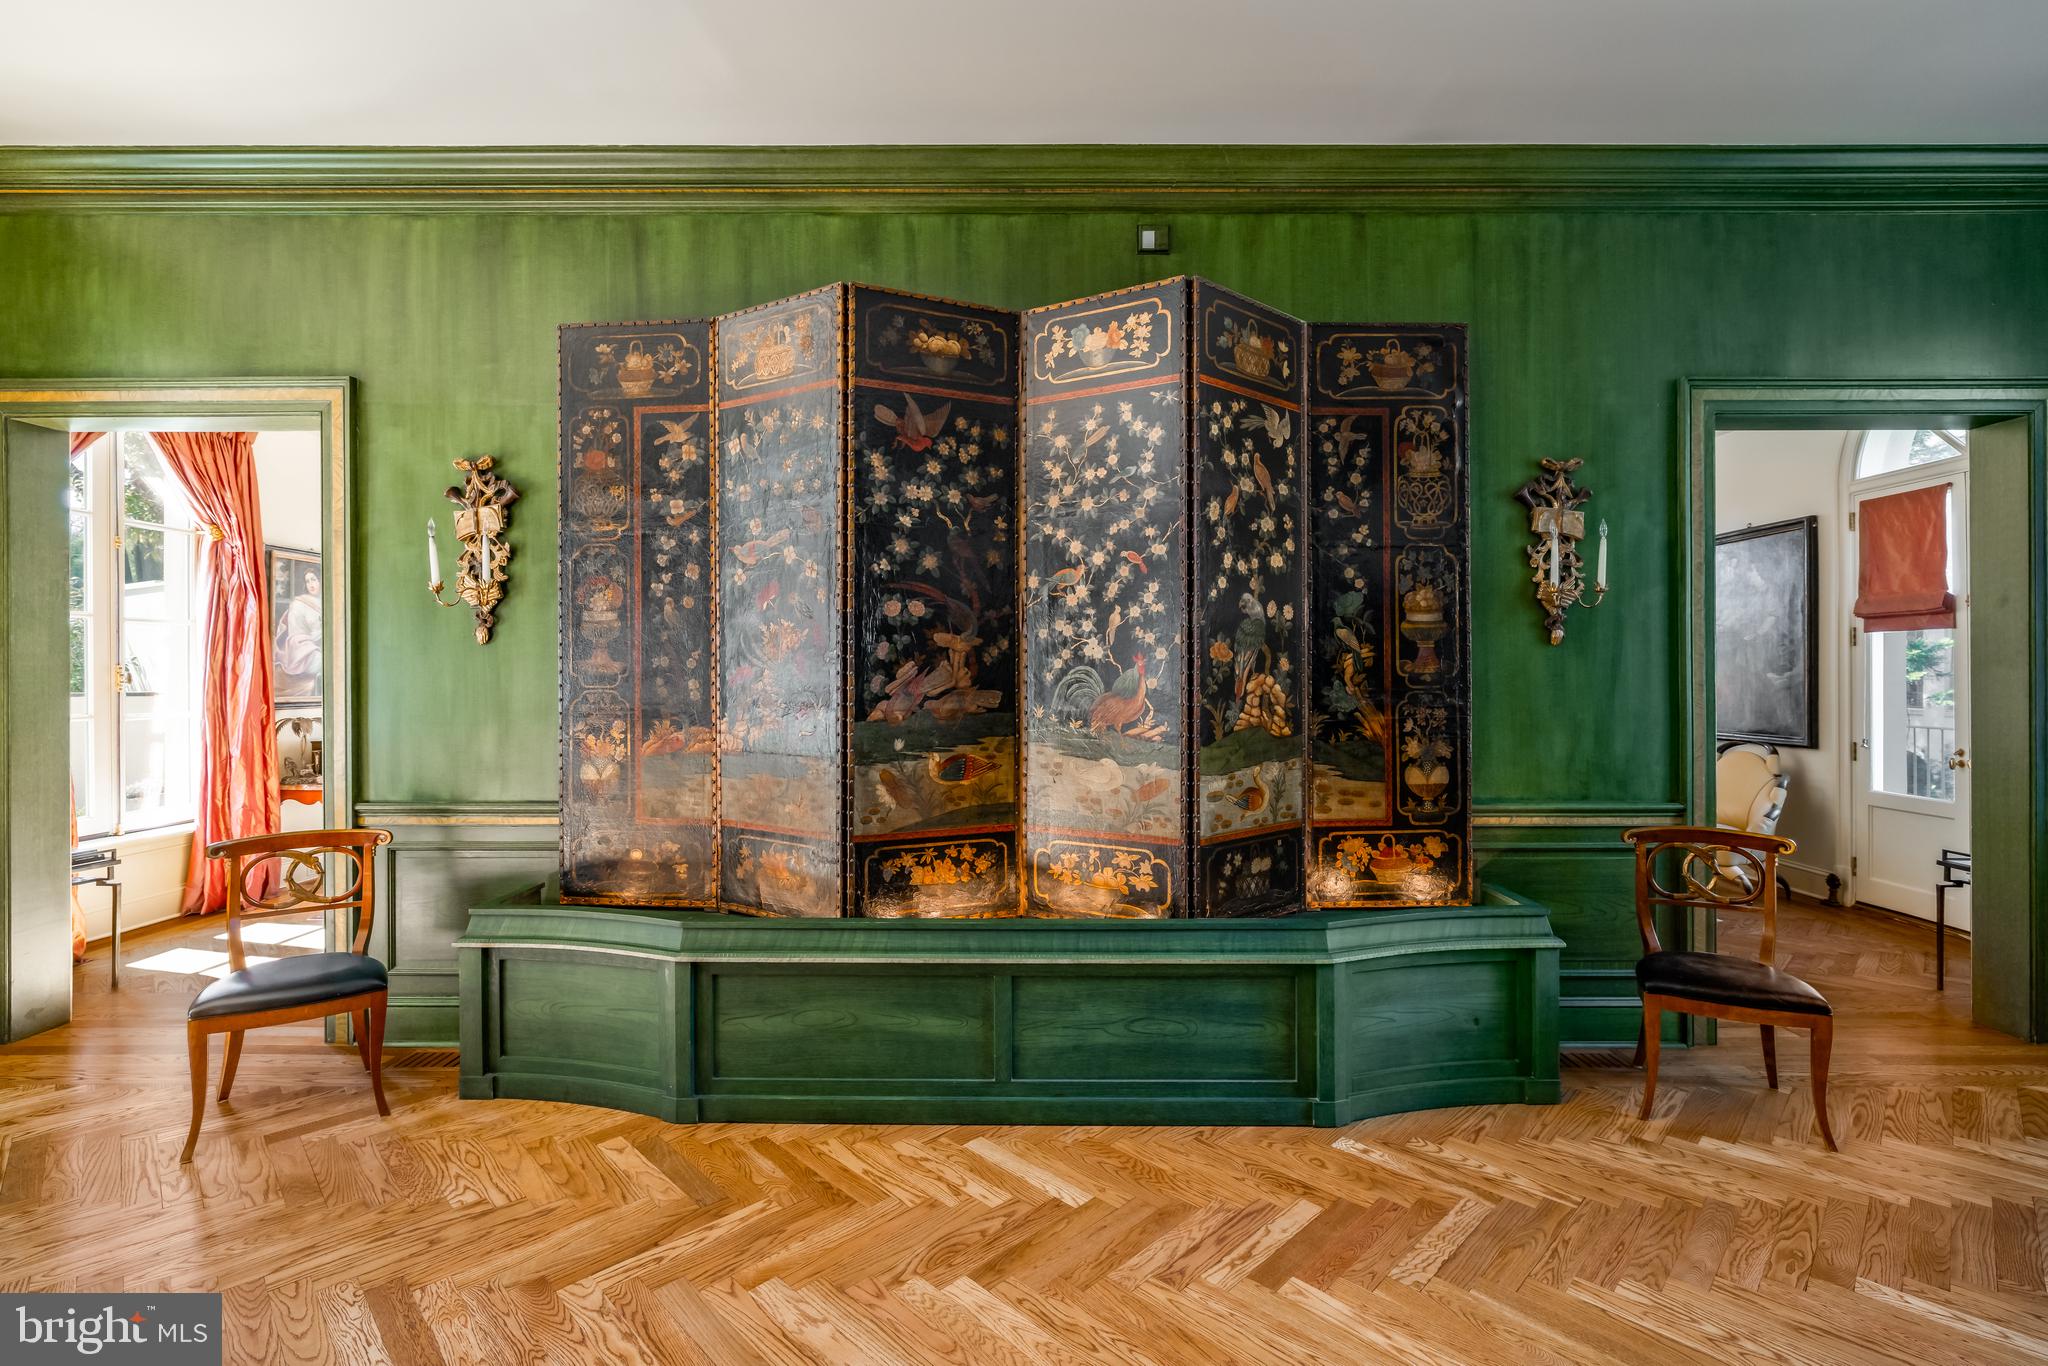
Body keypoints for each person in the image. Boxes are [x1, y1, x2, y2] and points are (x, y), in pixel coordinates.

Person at [274, 567, 321, 697]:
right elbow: (297, 637)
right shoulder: (299, 604)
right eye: (308, 581)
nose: (311, 584)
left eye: (314, 580)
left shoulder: (332, 601)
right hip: (304, 650)